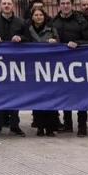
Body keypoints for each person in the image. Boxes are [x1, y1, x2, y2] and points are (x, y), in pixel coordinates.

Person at [51, 0, 88, 136]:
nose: (65, 6)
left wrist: (78, 43)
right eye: (62, 3)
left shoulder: (80, 20)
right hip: (61, 63)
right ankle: (67, 124)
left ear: (72, 4)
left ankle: (82, 125)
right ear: (59, 5)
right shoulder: (54, 22)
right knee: (64, 93)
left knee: (81, 94)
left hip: (79, 61)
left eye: (68, 3)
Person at [0, 0, 27, 137]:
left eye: (9, 3)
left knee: (14, 95)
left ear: (13, 5)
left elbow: (28, 38)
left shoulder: (21, 22)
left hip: (14, 64)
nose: (6, 6)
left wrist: (21, 39)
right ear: (0, 6)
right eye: (4, 3)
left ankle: (14, 125)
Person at [25, 7, 60, 136]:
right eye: (36, 15)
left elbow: (59, 42)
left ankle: (51, 127)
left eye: (40, 15)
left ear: (44, 17)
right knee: (37, 97)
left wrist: (54, 42)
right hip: (34, 67)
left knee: (50, 97)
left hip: (49, 67)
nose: (38, 17)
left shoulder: (51, 29)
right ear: (32, 17)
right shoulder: (28, 29)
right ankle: (39, 126)